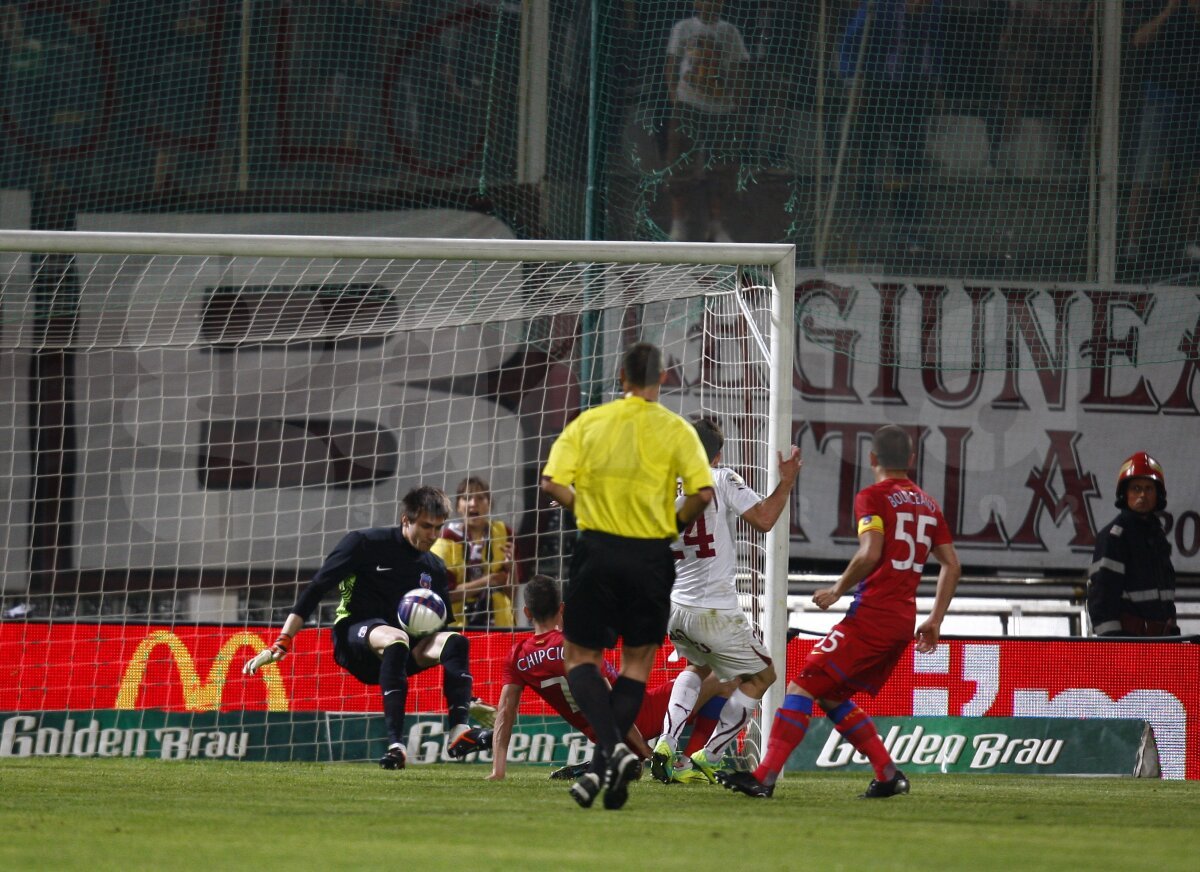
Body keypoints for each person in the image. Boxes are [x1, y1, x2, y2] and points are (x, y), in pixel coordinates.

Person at [717, 424, 961, 799]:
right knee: (828, 694)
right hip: (902, 620)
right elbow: (951, 564)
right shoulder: (929, 504)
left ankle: (764, 777)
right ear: (911, 461)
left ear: (873, 459)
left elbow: (870, 552)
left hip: (872, 616)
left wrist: (836, 589)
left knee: (801, 685)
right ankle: (887, 773)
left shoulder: (873, 497)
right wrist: (935, 618)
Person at [541, 341, 714, 810]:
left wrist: (588, 509)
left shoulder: (591, 423)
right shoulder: (678, 430)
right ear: (661, 380)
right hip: (651, 557)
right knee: (637, 664)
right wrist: (668, 528)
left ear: (621, 378)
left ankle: (609, 753)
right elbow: (701, 492)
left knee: (580, 659)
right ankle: (608, 759)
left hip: (598, 548)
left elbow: (551, 482)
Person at [242, 485, 496, 770]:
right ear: (406, 520)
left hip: (400, 653)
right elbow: (316, 589)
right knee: (396, 638)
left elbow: (439, 633)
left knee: (456, 642)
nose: (433, 535)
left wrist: (466, 697)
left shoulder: (434, 566)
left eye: (438, 528)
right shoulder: (364, 543)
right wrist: (283, 641)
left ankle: (459, 732)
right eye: (426, 526)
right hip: (355, 641)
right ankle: (396, 745)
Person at [651, 418, 802, 785]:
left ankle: (666, 744)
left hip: (676, 607)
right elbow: (764, 520)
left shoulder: (659, 488)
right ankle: (710, 756)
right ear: (717, 455)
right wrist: (787, 482)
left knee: (696, 667)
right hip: (714, 609)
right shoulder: (719, 477)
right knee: (764, 675)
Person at [468, 574, 730, 781]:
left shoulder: (518, 656)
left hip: (607, 735)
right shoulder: (575, 645)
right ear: (562, 608)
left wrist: (498, 770)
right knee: (726, 675)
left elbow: (505, 712)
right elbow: (611, 703)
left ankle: (607, 761)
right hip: (639, 717)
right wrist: (645, 750)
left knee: (632, 766)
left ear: (526, 612)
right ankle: (688, 762)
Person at [663, 0, 750, 243]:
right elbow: (671, 64)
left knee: (720, 168)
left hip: (721, 108)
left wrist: (738, 104)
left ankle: (716, 225)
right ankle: (678, 223)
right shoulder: (683, 28)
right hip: (688, 105)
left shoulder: (729, 32)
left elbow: (738, 69)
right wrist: (675, 99)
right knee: (680, 164)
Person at [1122, 1, 1200, 264]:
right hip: (1159, 94)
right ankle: (1132, 244)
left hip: (1192, 100)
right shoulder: (1162, 6)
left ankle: (1189, 243)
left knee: (1188, 176)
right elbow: (1139, 39)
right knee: (1145, 173)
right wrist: (1169, 10)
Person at [1087, 452, 1179, 637]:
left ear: (1158, 494)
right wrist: (1115, 647)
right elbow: (1102, 600)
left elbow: (1166, 601)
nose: (1143, 495)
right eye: (1136, 488)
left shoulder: (1157, 537)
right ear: (1125, 494)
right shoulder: (1115, 537)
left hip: (1161, 644)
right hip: (1130, 645)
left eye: (1149, 488)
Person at [431, 475, 518, 629]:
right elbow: (444, 596)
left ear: (489, 504)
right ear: (457, 506)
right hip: (458, 628)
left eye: (480, 498)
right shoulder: (445, 539)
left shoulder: (503, 532)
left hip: (500, 627)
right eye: (466, 498)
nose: (473, 504)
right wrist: (487, 581)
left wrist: (512, 568)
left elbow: (512, 593)